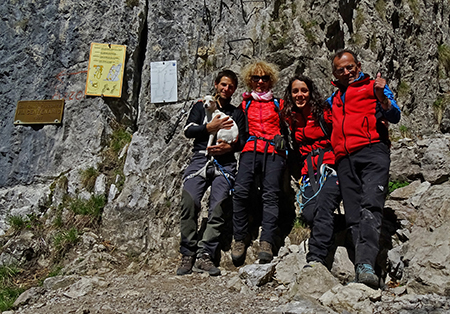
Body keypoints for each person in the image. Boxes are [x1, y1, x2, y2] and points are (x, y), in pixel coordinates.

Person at [328, 49, 401, 288]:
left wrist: (382, 97)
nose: (347, 72)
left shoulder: (373, 86)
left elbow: (395, 114)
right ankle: (362, 264)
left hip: (372, 151)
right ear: (335, 73)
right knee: (352, 212)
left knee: (371, 203)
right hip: (344, 158)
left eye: (351, 67)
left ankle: (366, 265)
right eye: (341, 69)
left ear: (358, 65)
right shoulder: (335, 98)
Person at [177, 70, 246, 276]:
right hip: (200, 157)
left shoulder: (237, 113)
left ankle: (205, 254)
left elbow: (242, 140)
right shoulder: (200, 106)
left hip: (225, 163)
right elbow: (188, 131)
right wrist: (209, 127)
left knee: (218, 205)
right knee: (189, 200)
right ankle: (187, 252)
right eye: (223, 85)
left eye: (231, 86)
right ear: (216, 84)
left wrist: (229, 148)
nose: (226, 89)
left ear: (234, 89)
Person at [281, 75, 341, 268]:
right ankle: (338, 228)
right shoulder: (291, 117)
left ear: (310, 92)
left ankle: (316, 257)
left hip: (330, 166)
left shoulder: (324, 112)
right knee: (308, 214)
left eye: (304, 90)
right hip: (309, 170)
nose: (300, 95)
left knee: (324, 205)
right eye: (295, 91)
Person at [231, 61, 286, 265]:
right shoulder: (245, 105)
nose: (260, 82)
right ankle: (239, 238)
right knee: (240, 192)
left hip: (274, 152)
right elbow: (229, 119)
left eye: (265, 78)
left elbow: (293, 123)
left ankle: (267, 241)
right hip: (250, 151)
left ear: (271, 80)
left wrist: (284, 139)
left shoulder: (279, 104)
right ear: (249, 81)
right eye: (256, 78)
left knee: (271, 194)